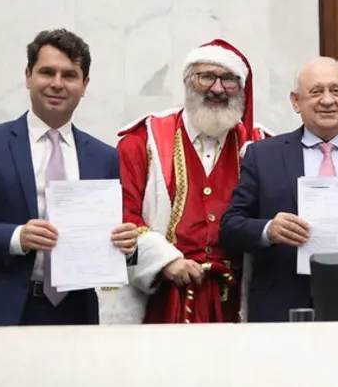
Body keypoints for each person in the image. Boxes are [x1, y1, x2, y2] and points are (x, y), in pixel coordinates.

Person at [0, 28, 138, 327]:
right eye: (46, 72)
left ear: (84, 84)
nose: (57, 83)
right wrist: (17, 238)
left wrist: (127, 246)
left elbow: (109, 240)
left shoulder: (105, 157)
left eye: (69, 75)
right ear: (28, 76)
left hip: (75, 312)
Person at [219, 56, 338, 323]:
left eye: (336, 91)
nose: (327, 100)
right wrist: (268, 230)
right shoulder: (263, 156)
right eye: (315, 92)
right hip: (282, 306)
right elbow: (230, 227)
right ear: (295, 101)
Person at [104, 39, 270, 324]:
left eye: (228, 79)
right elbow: (122, 215)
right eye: (206, 76)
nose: (217, 88)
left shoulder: (261, 146)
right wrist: (164, 261)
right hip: (163, 300)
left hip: (236, 304)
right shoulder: (143, 141)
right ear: (187, 81)